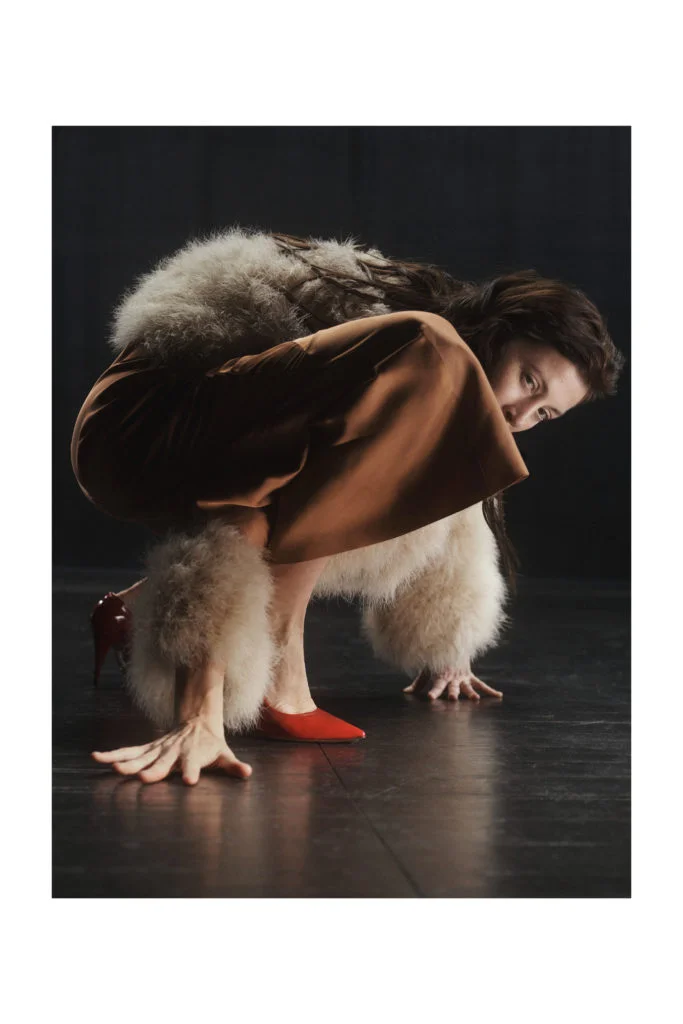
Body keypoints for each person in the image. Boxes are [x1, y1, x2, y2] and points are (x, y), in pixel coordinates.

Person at [71, 227, 623, 785]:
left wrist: (447, 647)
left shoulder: (429, 377)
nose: (521, 415)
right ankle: (278, 668)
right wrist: (199, 716)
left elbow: (445, 499)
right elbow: (243, 507)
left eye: (544, 413)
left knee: (442, 441)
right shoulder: (409, 342)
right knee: (429, 358)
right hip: (142, 428)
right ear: (499, 335)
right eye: (528, 380)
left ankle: (130, 611)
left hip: (226, 443)